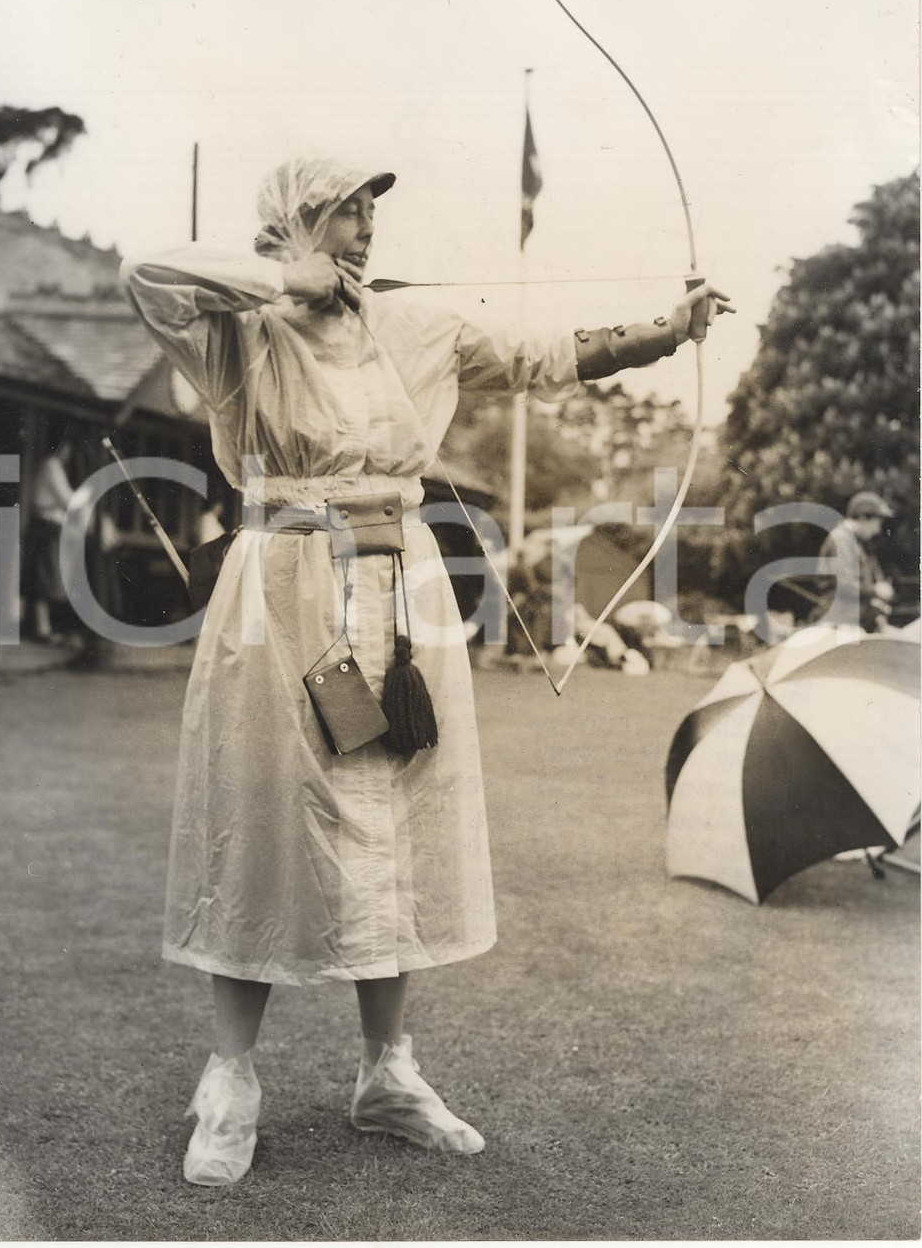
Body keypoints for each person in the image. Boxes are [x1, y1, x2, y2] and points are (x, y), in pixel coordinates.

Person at [120, 156, 731, 1185]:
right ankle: (229, 1077)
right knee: (259, 811)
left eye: (369, 212)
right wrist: (287, 282)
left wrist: (668, 330)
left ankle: (386, 1071)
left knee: (394, 812)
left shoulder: (418, 324)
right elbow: (148, 271)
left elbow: (547, 353)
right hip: (282, 587)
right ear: (293, 222)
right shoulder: (240, 326)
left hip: (399, 594)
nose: (364, 229)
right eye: (341, 211)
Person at [815, 490, 896, 633]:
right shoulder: (841, 540)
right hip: (840, 622)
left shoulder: (857, 543)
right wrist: (876, 591)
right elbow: (845, 584)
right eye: (877, 523)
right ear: (864, 518)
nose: (877, 530)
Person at [27, 436, 75, 643]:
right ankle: (42, 629)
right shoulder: (52, 465)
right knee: (45, 575)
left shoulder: (49, 465)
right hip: (47, 525)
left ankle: (44, 627)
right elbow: (66, 498)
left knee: (47, 575)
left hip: (47, 524)